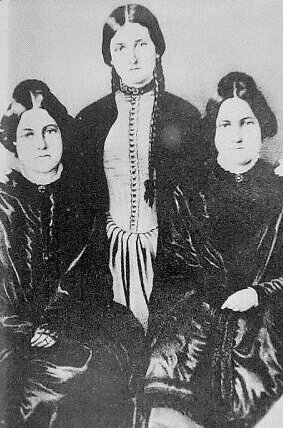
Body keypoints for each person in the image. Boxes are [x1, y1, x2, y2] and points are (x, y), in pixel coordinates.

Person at [141, 72, 283, 427]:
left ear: (261, 128)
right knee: (170, 391)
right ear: (214, 132)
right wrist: (213, 298)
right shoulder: (188, 191)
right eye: (226, 124)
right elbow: (174, 267)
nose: (236, 134)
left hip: (267, 317)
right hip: (198, 314)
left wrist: (257, 293)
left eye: (246, 122)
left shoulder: (279, 189)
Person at [0, 79, 143, 427]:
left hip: (78, 317)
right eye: (29, 133)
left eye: (50, 129)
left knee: (110, 351)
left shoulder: (85, 197)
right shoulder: (5, 203)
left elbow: (89, 278)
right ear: (14, 142)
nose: (42, 142)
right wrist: (27, 329)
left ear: (63, 133)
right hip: (14, 327)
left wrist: (56, 323)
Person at [76, 3, 201, 330]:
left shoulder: (184, 116)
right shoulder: (90, 120)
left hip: (170, 256)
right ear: (110, 56)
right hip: (104, 253)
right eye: (120, 47)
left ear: (157, 50)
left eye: (141, 45)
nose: (131, 57)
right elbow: (78, 200)